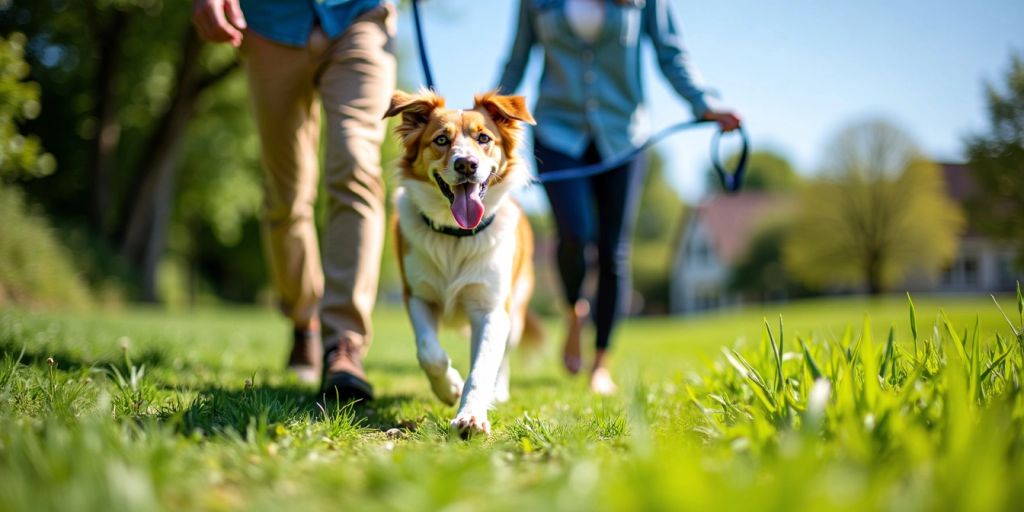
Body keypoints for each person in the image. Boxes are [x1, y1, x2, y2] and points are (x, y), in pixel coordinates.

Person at [496, 0, 741, 394]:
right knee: (573, 232)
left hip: (623, 134)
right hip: (557, 131)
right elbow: (516, 59)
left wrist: (704, 103)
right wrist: (485, 113)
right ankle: (575, 309)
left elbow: (669, 52)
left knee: (613, 250)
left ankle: (600, 363)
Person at [191, 0, 396, 400]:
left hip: (361, 16)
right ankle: (306, 322)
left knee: (357, 164)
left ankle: (344, 345)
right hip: (270, 23)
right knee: (286, 194)